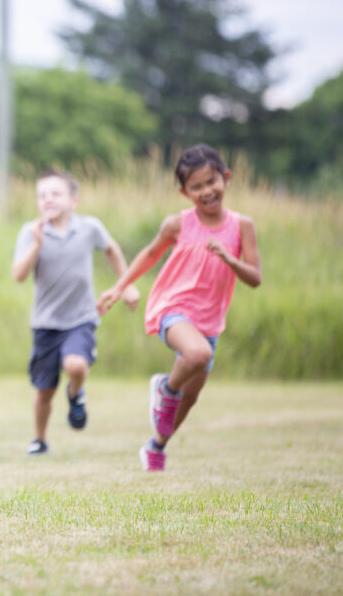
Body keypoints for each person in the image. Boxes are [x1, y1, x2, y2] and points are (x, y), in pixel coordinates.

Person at [97, 144, 261, 472]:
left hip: (210, 320)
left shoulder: (242, 226)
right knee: (197, 356)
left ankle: (156, 445)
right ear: (184, 192)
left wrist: (230, 258)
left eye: (211, 181)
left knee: (190, 397)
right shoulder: (178, 224)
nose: (206, 191)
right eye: (196, 187)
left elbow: (255, 278)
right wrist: (119, 287)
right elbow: (150, 253)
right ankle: (165, 387)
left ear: (226, 178)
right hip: (174, 308)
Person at [12, 169, 140, 456]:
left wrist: (125, 286)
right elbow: (19, 275)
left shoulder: (89, 228)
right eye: (42, 195)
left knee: (76, 366)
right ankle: (40, 439)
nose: (48, 200)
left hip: (80, 317)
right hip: (45, 323)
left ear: (74, 200)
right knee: (44, 390)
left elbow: (112, 251)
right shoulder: (30, 232)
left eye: (55, 194)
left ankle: (75, 393)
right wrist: (37, 243)